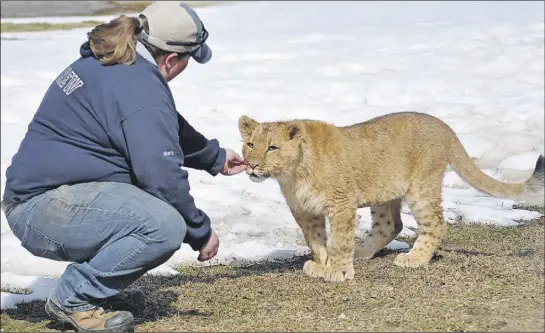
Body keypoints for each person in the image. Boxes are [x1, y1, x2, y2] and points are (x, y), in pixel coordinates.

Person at [1, 2, 247, 332]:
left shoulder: (117, 61)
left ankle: (101, 289)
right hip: (41, 209)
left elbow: (160, 125)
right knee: (164, 226)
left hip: (45, 198)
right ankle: (75, 297)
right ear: (172, 60)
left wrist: (213, 157)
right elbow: (160, 174)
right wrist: (199, 231)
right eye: (189, 58)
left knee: (146, 205)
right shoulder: (140, 86)